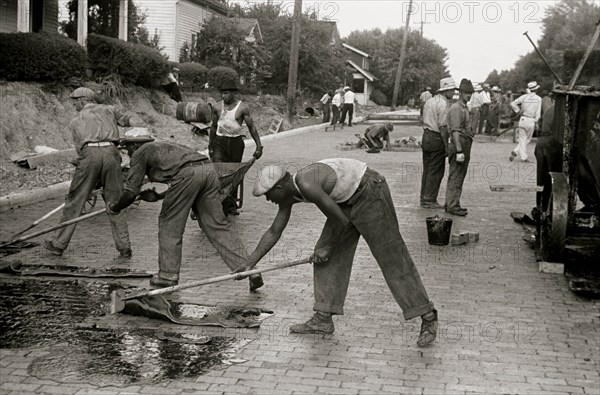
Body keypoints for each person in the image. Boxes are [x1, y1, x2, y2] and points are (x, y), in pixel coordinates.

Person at [236, 158, 438, 346]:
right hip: (345, 202)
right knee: (323, 256)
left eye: (268, 195)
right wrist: (250, 263)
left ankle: (428, 316)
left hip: (369, 192)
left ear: (279, 187)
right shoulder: (288, 194)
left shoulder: (307, 184)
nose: (267, 200)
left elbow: (340, 221)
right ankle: (323, 319)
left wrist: (328, 247)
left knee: (391, 256)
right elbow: (274, 231)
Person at [107, 129, 264, 291]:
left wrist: (115, 207)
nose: (129, 152)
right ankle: (250, 269)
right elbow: (186, 177)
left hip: (187, 176)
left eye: (128, 148)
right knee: (218, 226)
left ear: (134, 145)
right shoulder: (166, 146)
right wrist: (159, 196)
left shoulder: (140, 153)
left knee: (169, 224)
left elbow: (130, 193)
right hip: (208, 170)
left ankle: (167, 276)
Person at [44, 87, 142, 258]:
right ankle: (124, 247)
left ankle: (58, 245)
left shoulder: (76, 120)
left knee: (75, 201)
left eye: (75, 101)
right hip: (112, 154)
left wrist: (88, 172)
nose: (74, 105)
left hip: (89, 155)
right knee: (116, 202)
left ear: (82, 100)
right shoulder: (110, 109)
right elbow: (131, 120)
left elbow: (79, 151)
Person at [209, 73, 263, 216]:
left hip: (235, 143)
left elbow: (251, 127)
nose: (223, 96)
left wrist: (259, 145)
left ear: (233, 94)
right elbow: (213, 127)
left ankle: (231, 204)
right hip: (219, 142)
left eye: (226, 93)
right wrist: (210, 146)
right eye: (222, 93)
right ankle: (218, 203)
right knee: (219, 173)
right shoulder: (216, 107)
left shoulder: (242, 108)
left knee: (234, 174)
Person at [420, 77, 456, 209]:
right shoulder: (443, 104)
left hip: (426, 136)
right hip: (436, 138)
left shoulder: (429, 101)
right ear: (446, 90)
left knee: (427, 169)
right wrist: (446, 145)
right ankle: (429, 199)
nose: (453, 93)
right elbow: (443, 127)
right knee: (436, 170)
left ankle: (424, 197)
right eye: (452, 90)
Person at [444, 79, 474, 216]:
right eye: (467, 93)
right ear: (460, 93)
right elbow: (455, 131)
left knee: (459, 175)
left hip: (464, 143)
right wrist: (459, 150)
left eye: (470, 93)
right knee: (456, 175)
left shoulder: (464, 107)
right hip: (459, 144)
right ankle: (452, 205)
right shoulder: (457, 108)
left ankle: (453, 202)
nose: (469, 95)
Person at [510, 81, 542, 162]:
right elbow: (538, 112)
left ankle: (516, 151)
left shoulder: (524, 97)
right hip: (531, 120)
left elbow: (513, 103)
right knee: (527, 140)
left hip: (523, 119)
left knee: (522, 139)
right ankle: (523, 157)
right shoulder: (538, 99)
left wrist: (518, 110)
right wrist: (537, 121)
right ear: (536, 89)